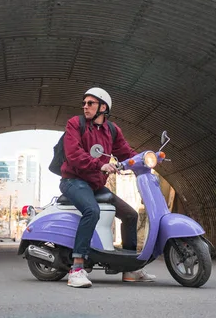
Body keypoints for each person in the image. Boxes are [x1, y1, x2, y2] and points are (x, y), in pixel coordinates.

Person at [60, 87, 156, 288]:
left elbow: (126, 153)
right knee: (91, 210)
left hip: (95, 185)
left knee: (130, 215)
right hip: (73, 181)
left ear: (103, 107)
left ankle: (131, 269)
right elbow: (73, 154)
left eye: (90, 103)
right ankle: (76, 269)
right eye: (84, 103)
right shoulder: (75, 124)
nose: (85, 107)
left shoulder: (112, 130)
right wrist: (99, 164)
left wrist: (144, 159)